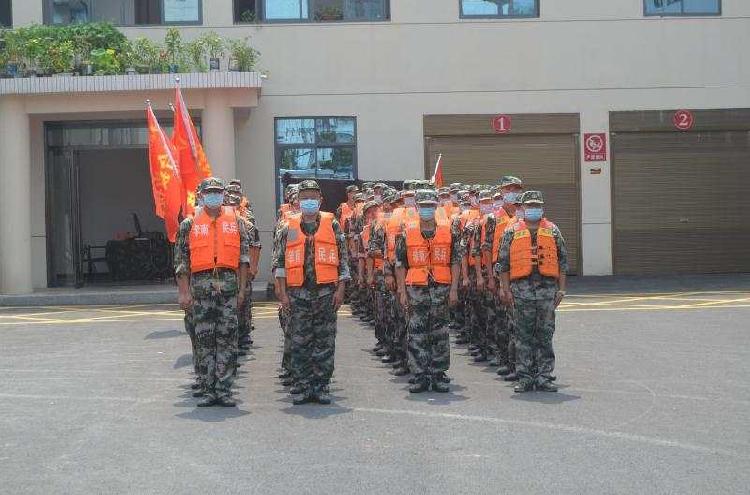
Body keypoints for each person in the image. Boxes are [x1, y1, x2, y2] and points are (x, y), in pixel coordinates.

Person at [174, 178, 251, 407]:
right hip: (200, 291)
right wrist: (184, 292)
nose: (214, 196)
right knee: (204, 341)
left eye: (218, 192)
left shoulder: (236, 222)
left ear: (224, 196)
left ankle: (224, 390)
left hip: (228, 290)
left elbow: (243, 260)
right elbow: (180, 262)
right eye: (210, 192)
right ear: (201, 196)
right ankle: (208, 389)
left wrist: (241, 291)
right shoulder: (188, 224)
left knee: (227, 340)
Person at [273, 180, 351, 405]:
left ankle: (321, 385)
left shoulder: (332, 225)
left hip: (326, 292)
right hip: (297, 294)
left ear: (320, 200)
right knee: (299, 341)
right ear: (298, 200)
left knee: (324, 341)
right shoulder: (288, 226)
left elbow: (342, 260)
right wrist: (283, 293)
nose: (309, 201)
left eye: (313, 197)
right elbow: (279, 262)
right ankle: (302, 385)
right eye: (304, 197)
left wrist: (341, 289)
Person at [497, 191, 568, 393]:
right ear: (523, 208)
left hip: (547, 291)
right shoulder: (511, 231)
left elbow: (563, 262)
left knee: (545, 335)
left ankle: (544, 376)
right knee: (523, 336)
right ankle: (525, 377)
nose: (533, 209)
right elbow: (503, 265)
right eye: (529, 206)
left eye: (537, 205)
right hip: (521, 291)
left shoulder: (553, 231)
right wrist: (504, 289)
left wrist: (561, 290)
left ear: (542, 207)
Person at [395, 189, 462, 393]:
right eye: (422, 206)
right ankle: (419, 375)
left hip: (441, 290)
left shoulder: (449, 232)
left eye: (430, 206)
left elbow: (455, 262)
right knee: (416, 333)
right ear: (416, 208)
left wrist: (454, 290)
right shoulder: (407, 232)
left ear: (436, 207)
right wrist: (401, 291)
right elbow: (399, 265)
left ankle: (438, 374)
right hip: (416, 289)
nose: (426, 209)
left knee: (440, 332)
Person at [225, 182, 261, 354]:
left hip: (243, 269)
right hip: (228, 270)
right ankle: (233, 338)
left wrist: (252, 267)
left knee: (244, 303)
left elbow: (254, 245)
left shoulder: (247, 222)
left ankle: (244, 334)